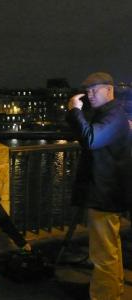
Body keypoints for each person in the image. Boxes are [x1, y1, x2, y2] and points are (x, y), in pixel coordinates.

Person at [67, 72, 131, 300]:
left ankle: (105, 296)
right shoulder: (111, 114)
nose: (89, 95)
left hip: (105, 193)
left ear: (109, 89)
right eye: (87, 91)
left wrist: (74, 110)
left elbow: (91, 140)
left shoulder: (113, 116)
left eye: (95, 90)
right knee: (109, 248)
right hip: (107, 192)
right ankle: (115, 290)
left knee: (102, 253)